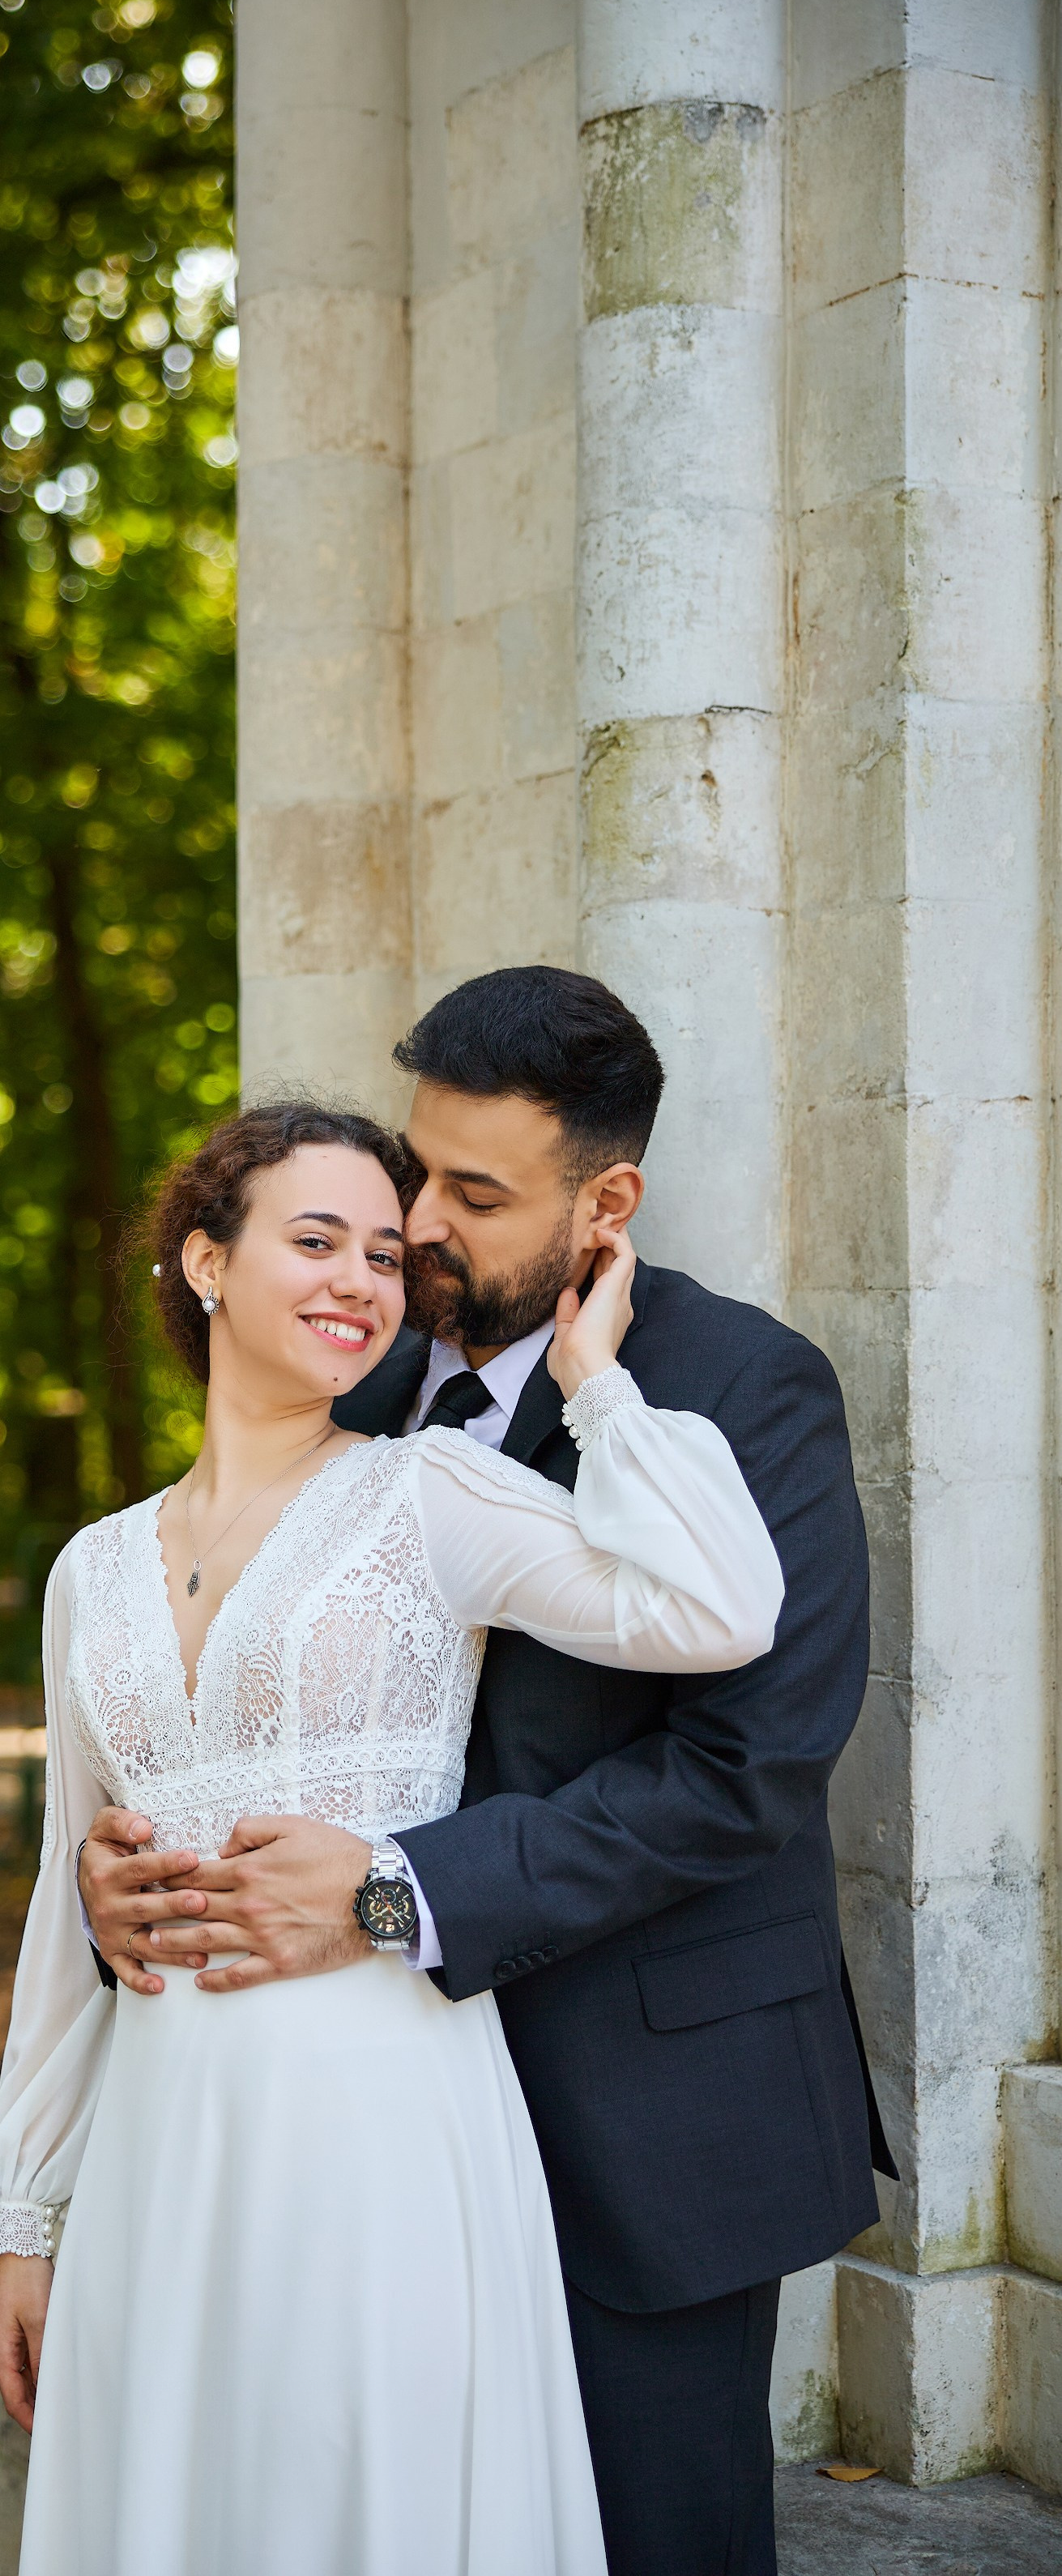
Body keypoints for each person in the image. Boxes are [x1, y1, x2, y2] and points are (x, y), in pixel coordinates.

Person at [79, 970, 891, 2576]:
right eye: (415, 1166)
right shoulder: (353, 1381)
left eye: (475, 1192)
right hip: (360, 2122)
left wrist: (401, 1892)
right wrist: (135, 1861)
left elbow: (754, 1764)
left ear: (609, 1204)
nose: (419, 1223)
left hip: (645, 2100)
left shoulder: (746, 1386)